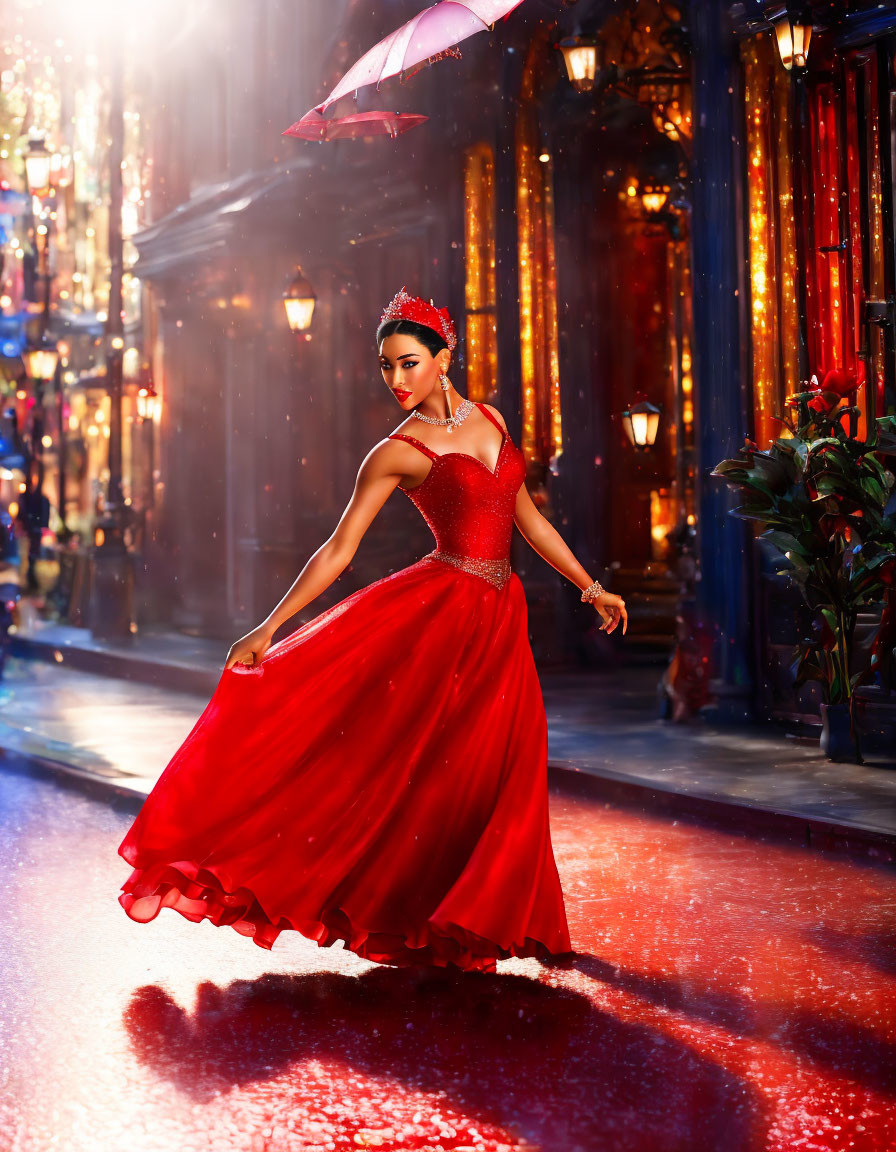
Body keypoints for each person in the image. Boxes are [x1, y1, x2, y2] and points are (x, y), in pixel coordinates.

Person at [117, 288, 627, 975]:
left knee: (510, 765)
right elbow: (338, 550)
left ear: (445, 358)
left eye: (409, 363)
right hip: (444, 618)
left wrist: (589, 585)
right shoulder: (395, 451)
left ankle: (485, 920)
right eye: (386, 367)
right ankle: (437, 921)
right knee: (437, 774)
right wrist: (270, 626)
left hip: (501, 617)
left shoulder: (493, 420)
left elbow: (527, 519)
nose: (396, 380)